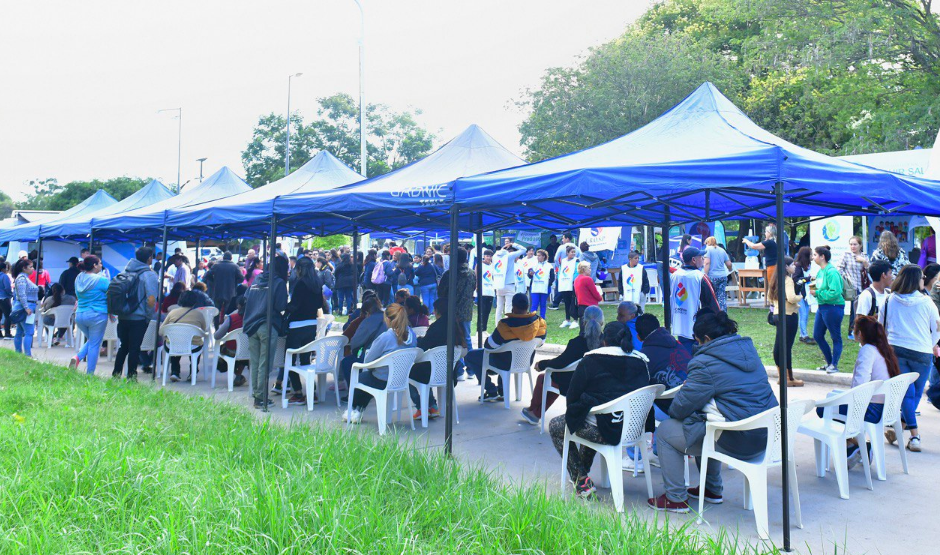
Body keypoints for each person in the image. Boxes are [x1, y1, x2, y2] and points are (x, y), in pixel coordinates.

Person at [650, 310, 777, 513]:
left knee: (666, 431)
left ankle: (675, 498)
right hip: (766, 436)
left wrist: (687, 390)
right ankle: (712, 489)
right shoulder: (748, 351)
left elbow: (679, 409)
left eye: (697, 340)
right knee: (702, 424)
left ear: (707, 339)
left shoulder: (704, 363)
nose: (696, 344)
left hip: (739, 440)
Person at [550, 321, 652, 499]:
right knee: (592, 416)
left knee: (557, 425)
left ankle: (581, 479)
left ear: (604, 340)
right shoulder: (641, 361)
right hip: (633, 430)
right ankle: (583, 473)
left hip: (603, 431)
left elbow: (572, 398)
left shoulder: (591, 360)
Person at [820, 316, 899, 468]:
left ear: (860, 333)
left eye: (854, 330)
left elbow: (860, 386)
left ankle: (856, 445)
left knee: (823, 410)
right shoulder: (883, 349)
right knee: (832, 406)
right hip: (884, 408)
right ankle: (855, 445)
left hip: (872, 409)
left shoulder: (868, 350)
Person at [879, 265, 939, 452]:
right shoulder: (927, 302)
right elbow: (937, 328)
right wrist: (929, 344)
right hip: (922, 353)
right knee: (914, 395)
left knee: (907, 395)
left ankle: (900, 429)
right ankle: (915, 436)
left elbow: (881, 326)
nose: (924, 280)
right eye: (922, 277)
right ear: (916, 280)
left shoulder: (889, 300)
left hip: (896, 350)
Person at [522, 305, 603, 425]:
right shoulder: (606, 342)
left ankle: (533, 411)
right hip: (597, 384)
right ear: (602, 323)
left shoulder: (576, 343)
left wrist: (542, 364)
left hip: (575, 385)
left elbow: (560, 363)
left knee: (546, 378)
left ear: (583, 322)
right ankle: (536, 412)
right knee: (554, 378)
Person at [341, 303, 417, 423]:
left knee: (361, 378)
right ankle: (358, 410)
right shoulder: (412, 335)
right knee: (367, 379)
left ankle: (354, 410)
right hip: (401, 380)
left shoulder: (386, 337)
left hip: (382, 380)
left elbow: (368, 361)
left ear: (387, 319)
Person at [465, 293, 547, 401]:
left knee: (470, 356)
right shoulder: (540, 322)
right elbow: (541, 343)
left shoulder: (505, 325)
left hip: (502, 363)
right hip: (525, 361)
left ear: (513, 307)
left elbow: (489, 346)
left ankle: (491, 390)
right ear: (528, 306)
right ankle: (502, 391)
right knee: (505, 353)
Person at [407, 298, 466, 420]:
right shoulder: (457, 325)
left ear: (438, 311)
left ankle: (421, 407)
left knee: (407, 371)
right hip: (450, 373)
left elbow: (423, 347)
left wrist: (419, 340)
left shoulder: (436, 327)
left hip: (432, 372)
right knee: (424, 369)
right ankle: (432, 406)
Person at [276, 256, 324, 406]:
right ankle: (311, 392)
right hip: (311, 325)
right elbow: (319, 305)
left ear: (300, 269)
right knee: (305, 360)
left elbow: (295, 305)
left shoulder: (300, 284)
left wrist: (285, 308)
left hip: (297, 325)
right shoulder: (317, 284)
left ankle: (297, 392)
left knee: (289, 359)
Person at [243, 256, 289, 409]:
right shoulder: (279, 282)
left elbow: (246, 298)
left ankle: (257, 395)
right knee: (265, 364)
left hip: (251, 325)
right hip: (267, 325)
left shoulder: (257, 279)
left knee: (255, 363)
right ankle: (261, 398)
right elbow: (281, 305)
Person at [670, 247, 720, 354]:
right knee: (699, 355)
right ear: (694, 260)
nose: (703, 259)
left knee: (685, 354)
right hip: (697, 325)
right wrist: (719, 319)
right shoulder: (700, 277)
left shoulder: (674, 275)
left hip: (680, 323)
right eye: (701, 257)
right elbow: (712, 302)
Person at [636, 313, 689, 412]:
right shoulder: (678, 344)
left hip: (669, 408)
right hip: (692, 399)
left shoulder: (643, 356)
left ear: (638, 337)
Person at [69, 255, 111, 375]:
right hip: (97, 315)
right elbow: (112, 294)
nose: (101, 265)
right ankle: (90, 374)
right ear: (94, 265)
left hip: (80, 315)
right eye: (100, 263)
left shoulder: (79, 278)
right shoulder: (101, 280)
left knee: (92, 340)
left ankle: (77, 358)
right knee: (94, 344)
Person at [438, 248, 476, 378]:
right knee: (467, 339)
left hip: (451, 312)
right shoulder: (472, 274)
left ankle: (459, 370)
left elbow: (441, 293)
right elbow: (473, 288)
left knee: (453, 340)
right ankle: (472, 369)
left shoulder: (449, 274)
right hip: (466, 311)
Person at [340, 296, 388, 394]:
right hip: (390, 360)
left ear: (367, 312)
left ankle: (354, 393)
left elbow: (355, 342)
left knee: (346, 362)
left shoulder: (368, 321)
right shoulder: (388, 317)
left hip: (373, 360)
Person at [768, 256, 803, 387]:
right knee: (786, 347)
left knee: (779, 345)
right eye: (792, 265)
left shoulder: (775, 278)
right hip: (789, 315)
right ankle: (789, 378)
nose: (794, 267)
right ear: (786, 267)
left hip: (777, 314)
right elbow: (792, 298)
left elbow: (769, 297)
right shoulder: (788, 280)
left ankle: (781, 376)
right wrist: (801, 296)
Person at [160, 290, 210, 381]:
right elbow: (204, 330)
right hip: (193, 346)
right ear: (194, 301)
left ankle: (175, 371)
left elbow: (161, 331)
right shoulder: (199, 314)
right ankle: (193, 372)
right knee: (197, 345)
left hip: (173, 345)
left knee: (174, 343)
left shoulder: (172, 313)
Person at [811, 246, 846, 374]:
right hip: (822, 307)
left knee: (835, 337)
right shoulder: (821, 271)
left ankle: (834, 365)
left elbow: (835, 292)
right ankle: (829, 362)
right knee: (817, 335)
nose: (813, 257)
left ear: (822, 257)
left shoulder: (832, 272)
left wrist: (817, 293)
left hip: (833, 307)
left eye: (815, 255)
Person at [838, 236, 870, 339]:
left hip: (863, 286)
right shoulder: (846, 255)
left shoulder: (864, 256)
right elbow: (839, 269)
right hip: (852, 287)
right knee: (854, 309)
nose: (853, 246)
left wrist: (864, 261)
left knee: (863, 310)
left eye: (855, 244)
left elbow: (870, 270)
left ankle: (861, 330)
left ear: (860, 245)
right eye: (851, 244)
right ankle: (852, 331)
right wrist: (846, 279)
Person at [214, 296, 248, 387]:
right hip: (249, 352)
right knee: (243, 349)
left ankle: (237, 374)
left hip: (231, 352)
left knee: (225, 349)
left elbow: (217, 336)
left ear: (238, 306)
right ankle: (238, 375)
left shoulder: (232, 318)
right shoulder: (254, 319)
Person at [204, 252, 243, 324]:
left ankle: (216, 326)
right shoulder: (235, 266)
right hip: (230, 292)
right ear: (231, 258)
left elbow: (207, 275)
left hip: (217, 291)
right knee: (227, 312)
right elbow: (241, 278)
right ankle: (225, 326)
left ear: (223, 257)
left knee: (216, 311)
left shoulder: (216, 265)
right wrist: (234, 282)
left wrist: (213, 281)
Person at [11, 258, 39, 356]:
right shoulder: (22, 278)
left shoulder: (22, 278)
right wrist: (27, 308)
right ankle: (27, 355)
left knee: (20, 331)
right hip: (26, 307)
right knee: (29, 331)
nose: (33, 269)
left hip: (24, 306)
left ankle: (18, 353)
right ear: (24, 268)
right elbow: (22, 295)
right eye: (31, 267)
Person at [492, 238, 524, 323]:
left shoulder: (495, 256)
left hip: (499, 284)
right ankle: (507, 325)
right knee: (508, 307)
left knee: (499, 307)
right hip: (509, 284)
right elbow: (523, 249)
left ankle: (497, 325)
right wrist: (513, 244)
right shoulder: (510, 256)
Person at [792, 247, 815, 345]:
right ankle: (804, 336)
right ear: (806, 256)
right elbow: (796, 279)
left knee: (805, 315)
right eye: (811, 254)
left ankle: (803, 335)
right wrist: (808, 279)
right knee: (803, 314)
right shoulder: (798, 266)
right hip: (800, 294)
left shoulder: (809, 265)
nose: (812, 256)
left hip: (806, 294)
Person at [703, 237, 732, 312]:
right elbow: (729, 264)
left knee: (711, 297)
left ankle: (712, 313)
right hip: (722, 276)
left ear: (708, 243)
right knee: (721, 297)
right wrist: (730, 269)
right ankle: (723, 314)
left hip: (712, 276)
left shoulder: (708, 249)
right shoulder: (722, 250)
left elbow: (707, 262)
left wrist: (704, 275)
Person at [557, 245, 579, 328]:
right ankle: (567, 319)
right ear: (567, 253)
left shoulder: (576, 260)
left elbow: (577, 271)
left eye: (574, 252)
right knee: (566, 302)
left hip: (572, 284)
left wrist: (572, 280)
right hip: (564, 284)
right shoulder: (563, 261)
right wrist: (560, 279)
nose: (573, 253)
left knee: (573, 302)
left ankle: (575, 320)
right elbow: (560, 271)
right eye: (571, 252)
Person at [528, 249, 554, 318]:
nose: (537, 257)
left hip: (545, 288)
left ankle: (542, 318)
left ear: (543, 256)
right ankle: (532, 319)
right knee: (534, 304)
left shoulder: (549, 266)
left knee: (543, 304)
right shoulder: (534, 265)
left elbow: (552, 277)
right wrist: (530, 273)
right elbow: (529, 275)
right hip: (535, 288)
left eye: (539, 256)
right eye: (537, 255)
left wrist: (547, 284)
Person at [550, 232, 573, 309]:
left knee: (560, 285)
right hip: (572, 270)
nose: (562, 240)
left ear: (567, 239)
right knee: (571, 286)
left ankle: (555, 304)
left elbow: (556, 259)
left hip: (563, 269)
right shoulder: (576, 247)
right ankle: (571, 303)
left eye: (563, 238)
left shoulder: (561, 247)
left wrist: (559, 267)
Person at [0, 261, 12, 339]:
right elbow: (7, 287)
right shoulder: (4, 276)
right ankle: (7, 333)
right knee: (8, 316)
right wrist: (10, 294)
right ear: (3, 269)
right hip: (4, 298)